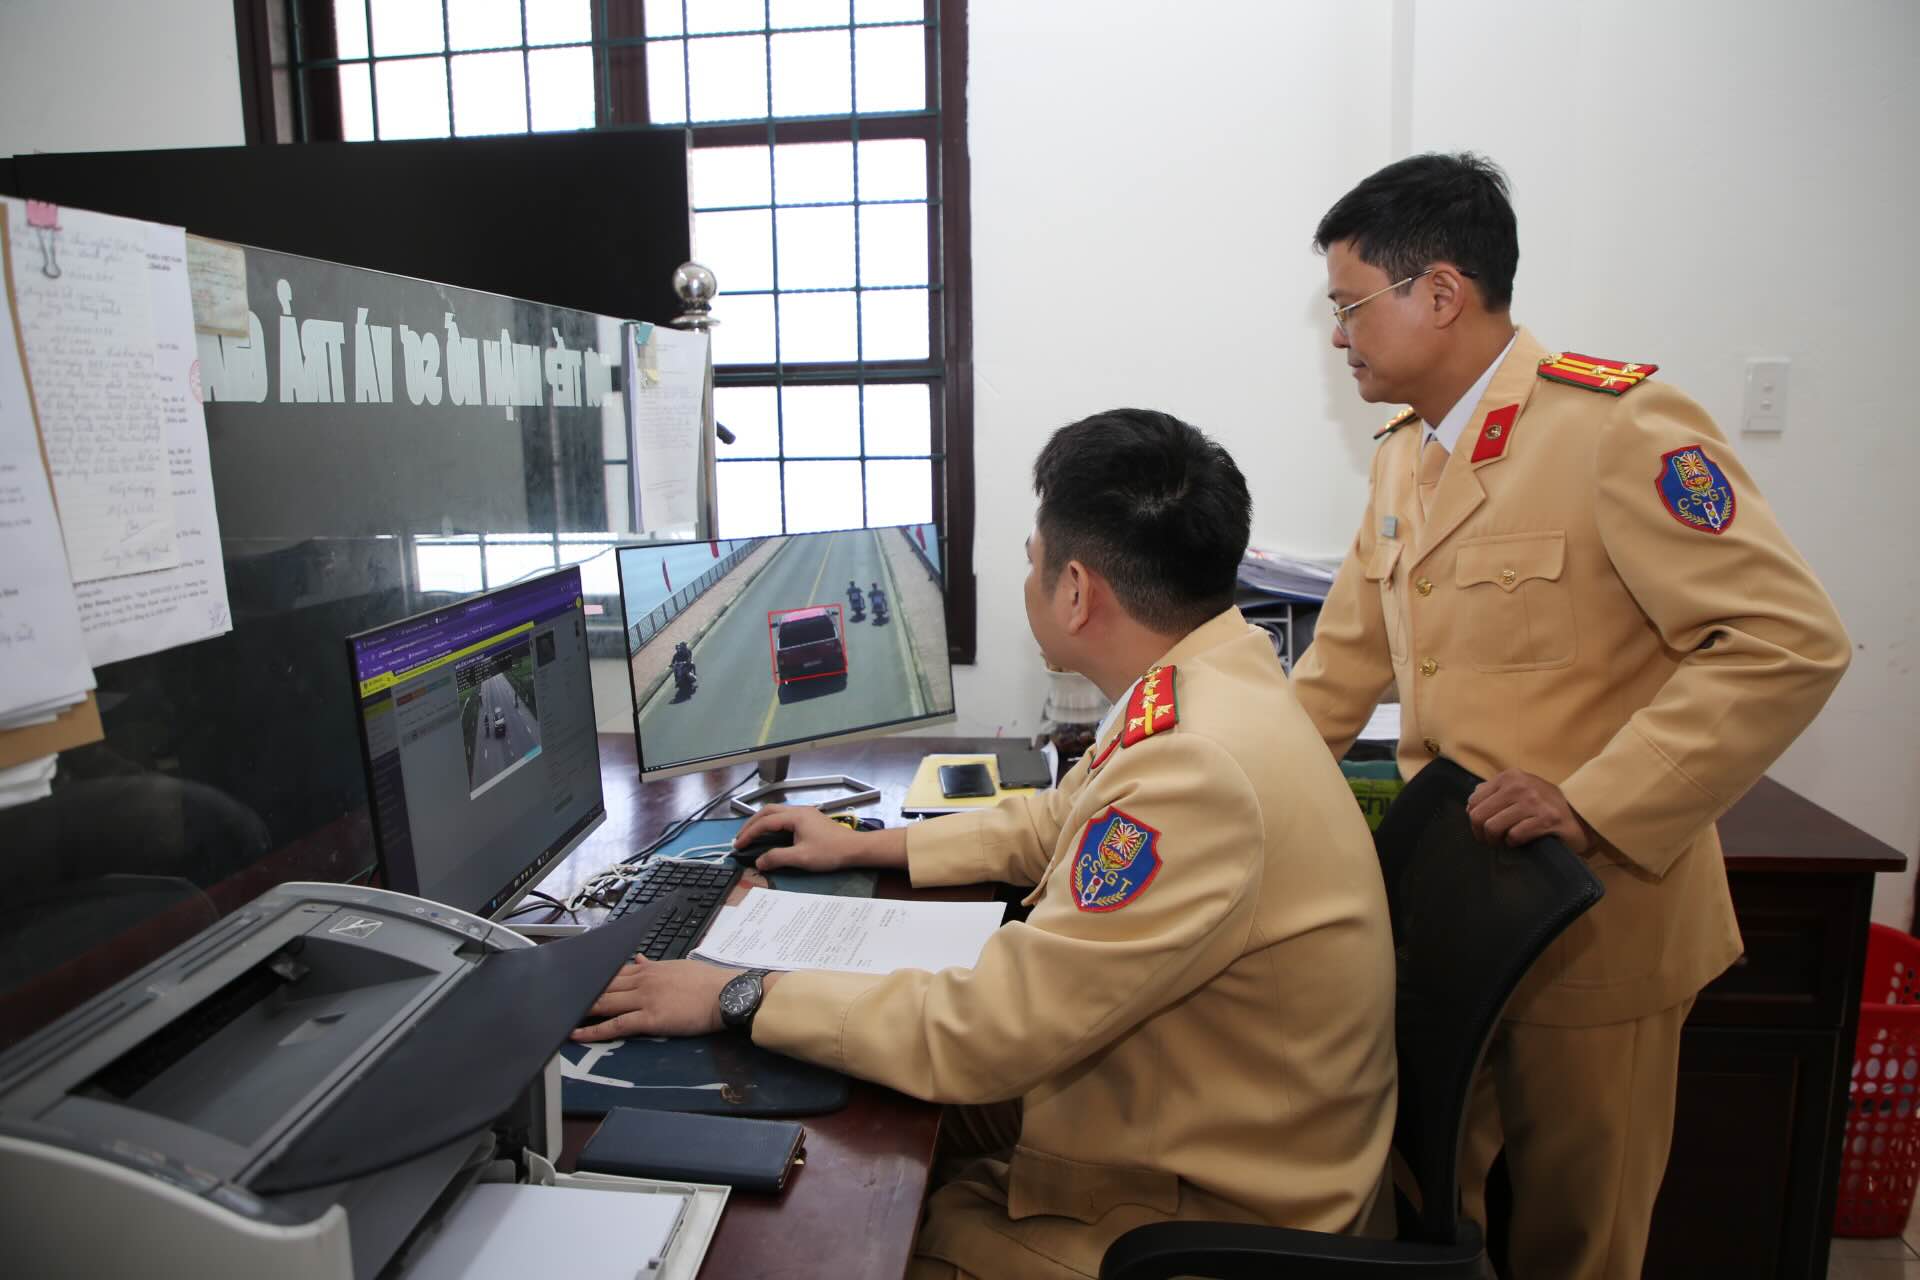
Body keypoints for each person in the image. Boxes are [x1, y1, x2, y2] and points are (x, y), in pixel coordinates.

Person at [577, 408, 1398, 1280]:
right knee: (855, 1117)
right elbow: (1054, 824)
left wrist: (738, 992)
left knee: (840, 1238)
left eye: (1032, 558)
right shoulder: (1210, 682)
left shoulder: (1196, 769)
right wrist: (862, 847)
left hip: (1201, 1219)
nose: (1027, 577)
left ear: (1076, 591)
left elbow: (985, 1032)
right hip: (1187, 1116)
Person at [1288, 152, 1850, 1280]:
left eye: (1350, 306)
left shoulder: (1615, 428)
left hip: (1599, 921)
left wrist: (1593, 802)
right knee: (1424, 1209)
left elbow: (1789, 639)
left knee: (1575, 1240)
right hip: (1458, 912)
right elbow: (1336, 673)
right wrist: (1220, 785)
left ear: (1440, 293)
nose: (1339, 336)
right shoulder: (1404, 460)